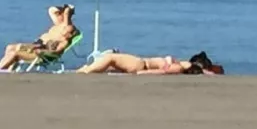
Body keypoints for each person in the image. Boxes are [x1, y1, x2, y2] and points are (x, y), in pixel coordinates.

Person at [0, 5, 77, 70]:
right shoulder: (59, 26)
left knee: (14, 53)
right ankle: (7, 70)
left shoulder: (64, 41)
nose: (64, 31)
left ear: (70, 34)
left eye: (66, 31)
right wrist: (64, 8)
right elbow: (52, 10)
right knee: (10, 47)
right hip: (38, 47)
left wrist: (40, 51)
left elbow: (55, 53)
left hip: (41, 56)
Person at [77, 50, 222, 75]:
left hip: (141, 64)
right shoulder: (180, 66)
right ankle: (88, 69)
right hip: (140, 64)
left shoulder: (178, 68)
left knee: (110, 57)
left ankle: (87, 71)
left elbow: (162, 72)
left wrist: (142, 73)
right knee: (110, 60)